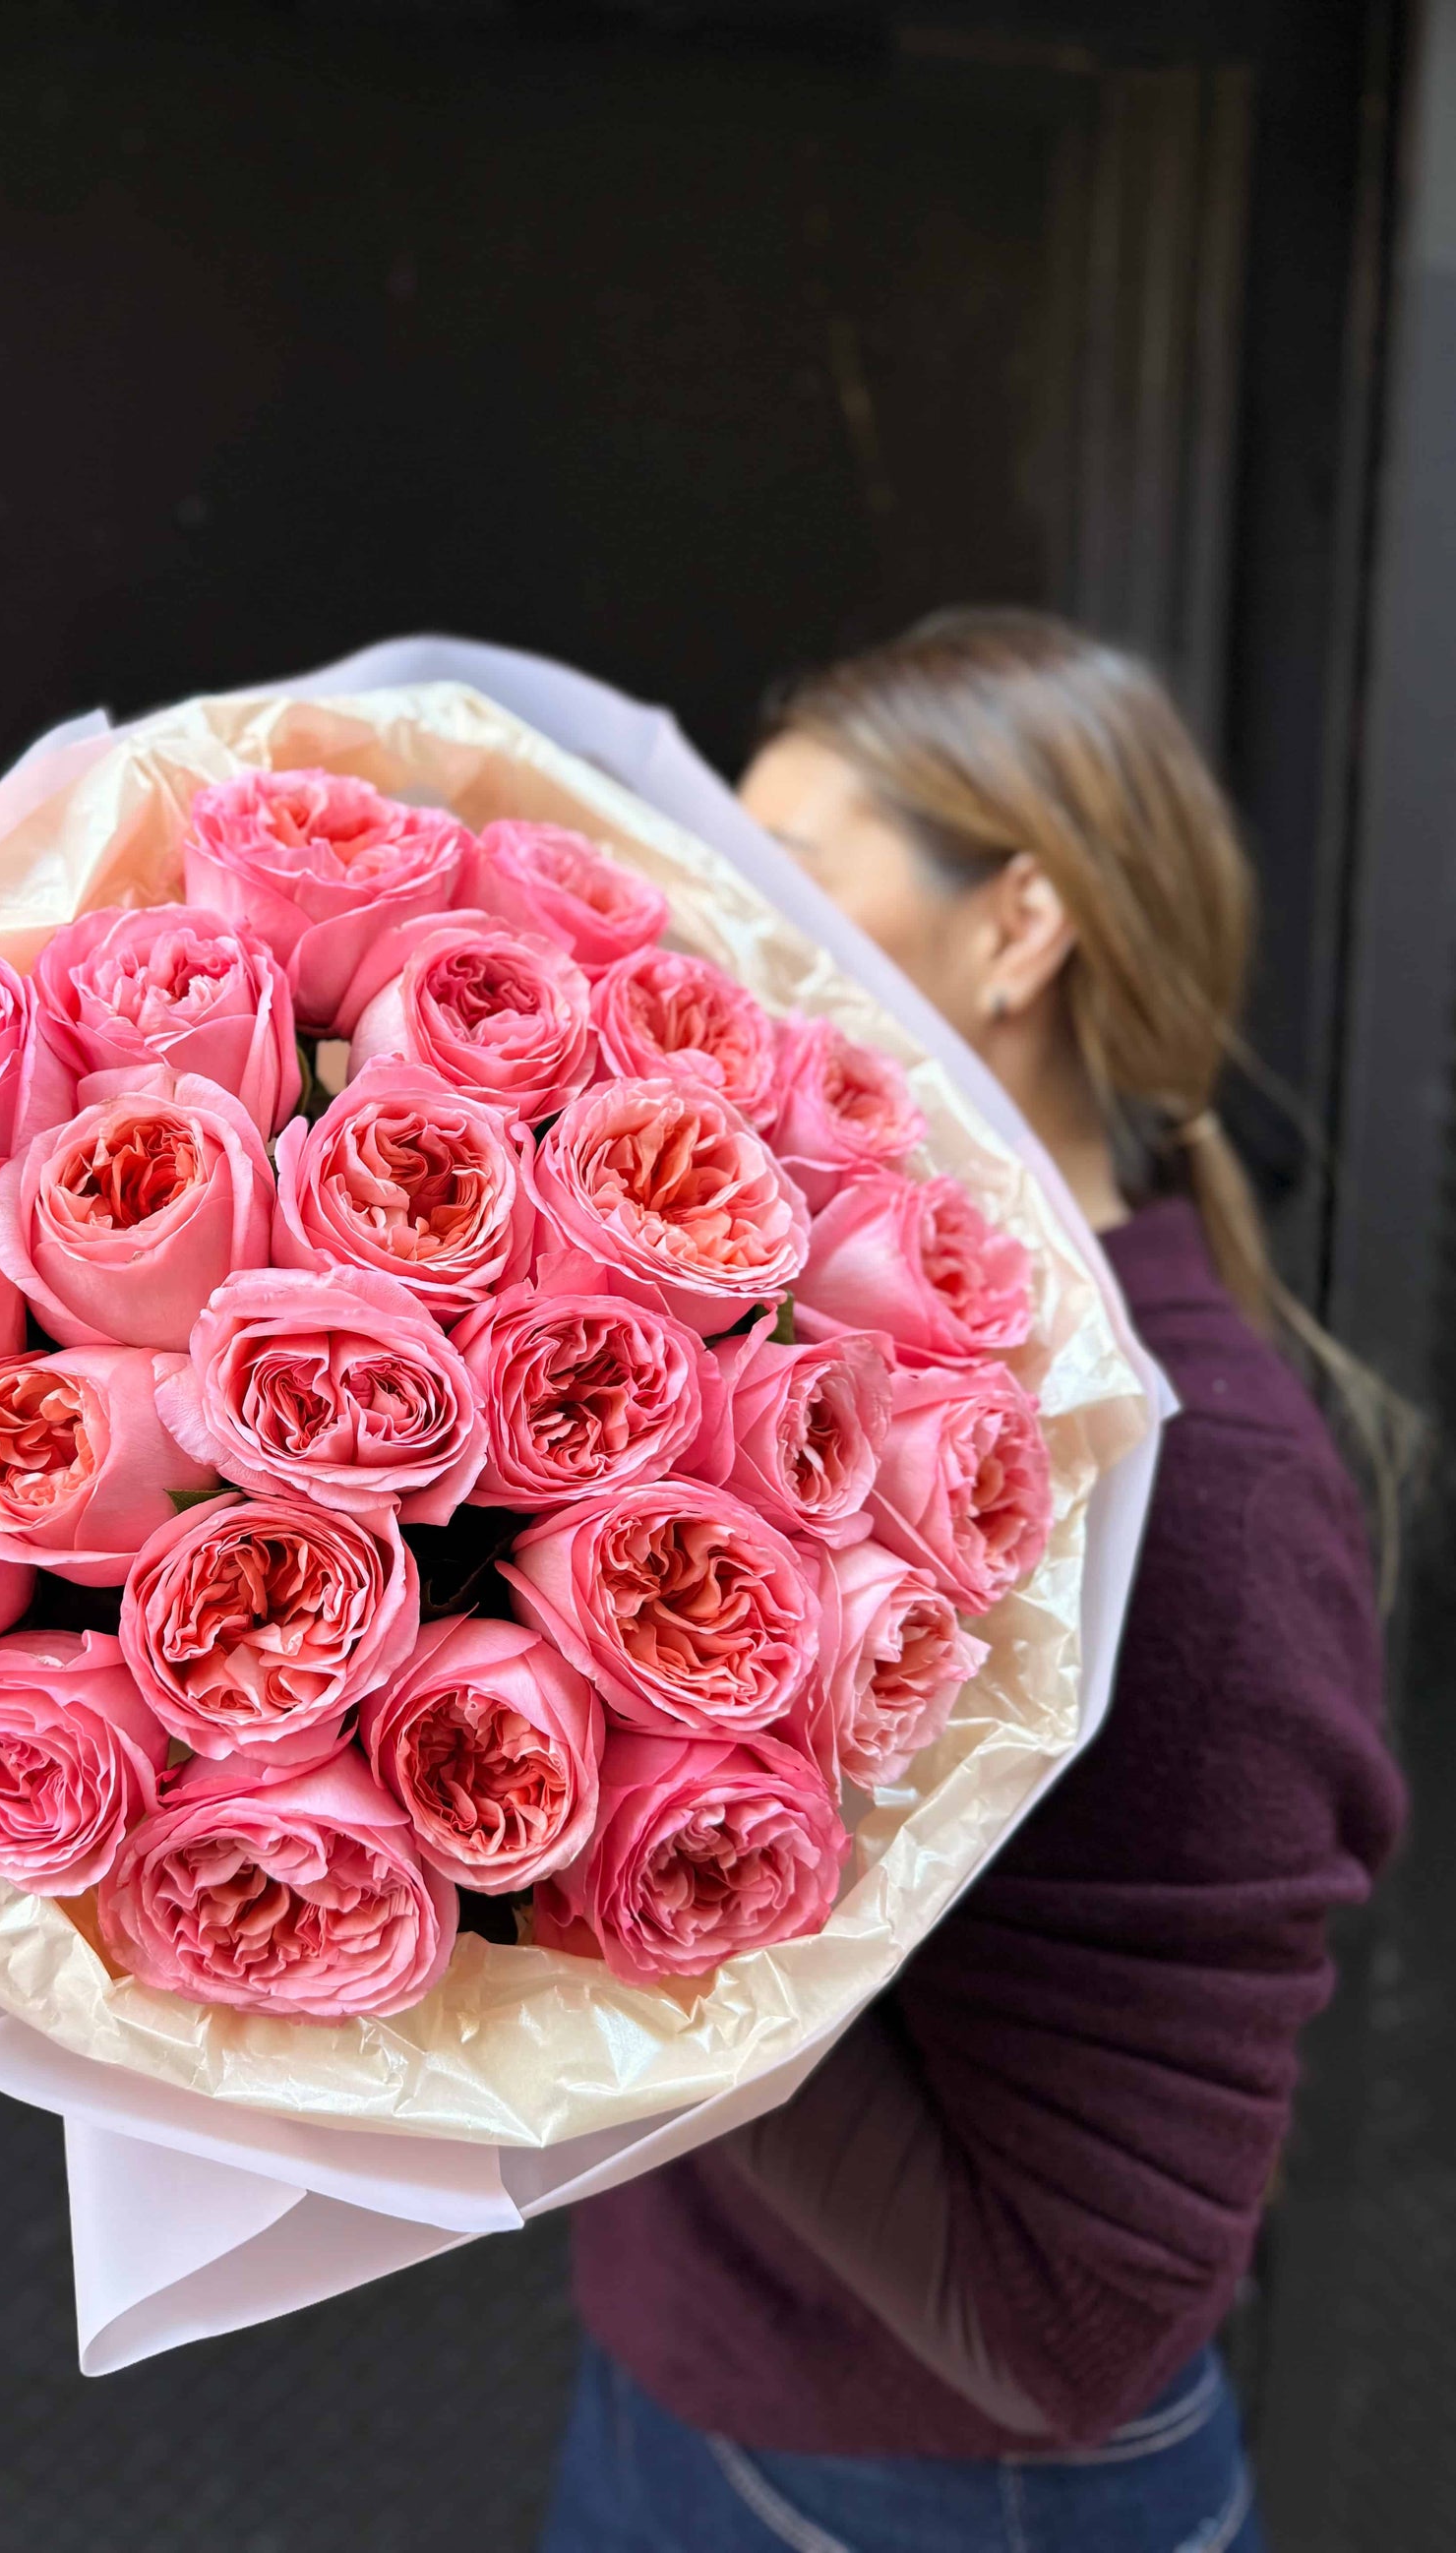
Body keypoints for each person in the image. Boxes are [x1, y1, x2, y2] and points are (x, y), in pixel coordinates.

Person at [540, 610, 1407, 2553]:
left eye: (779, 878)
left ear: (1015, 930)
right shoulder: (792, 1334)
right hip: (681, 2386)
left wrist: (590, 1850)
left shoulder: (1205, 1505)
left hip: (942, 2498)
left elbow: (1075, 2320)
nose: (699, 928)